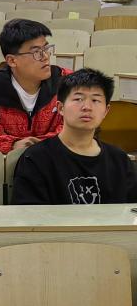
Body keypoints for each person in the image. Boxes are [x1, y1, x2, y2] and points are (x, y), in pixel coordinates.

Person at [12, 68, 137, 204]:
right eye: (78, 99)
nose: (87, 107)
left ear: (106, 111)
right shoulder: (36, 159)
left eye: (95, 100)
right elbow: (28, 213)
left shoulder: (119, 160)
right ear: (60, 108)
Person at [0, 19, 66, 154]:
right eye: (37, 52)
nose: (45, 57)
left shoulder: (69, 84)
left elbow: (79, 127)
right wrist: (12, 144)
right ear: (12, 60)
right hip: (6, 164)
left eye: (46, 49)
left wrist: (39, 146)